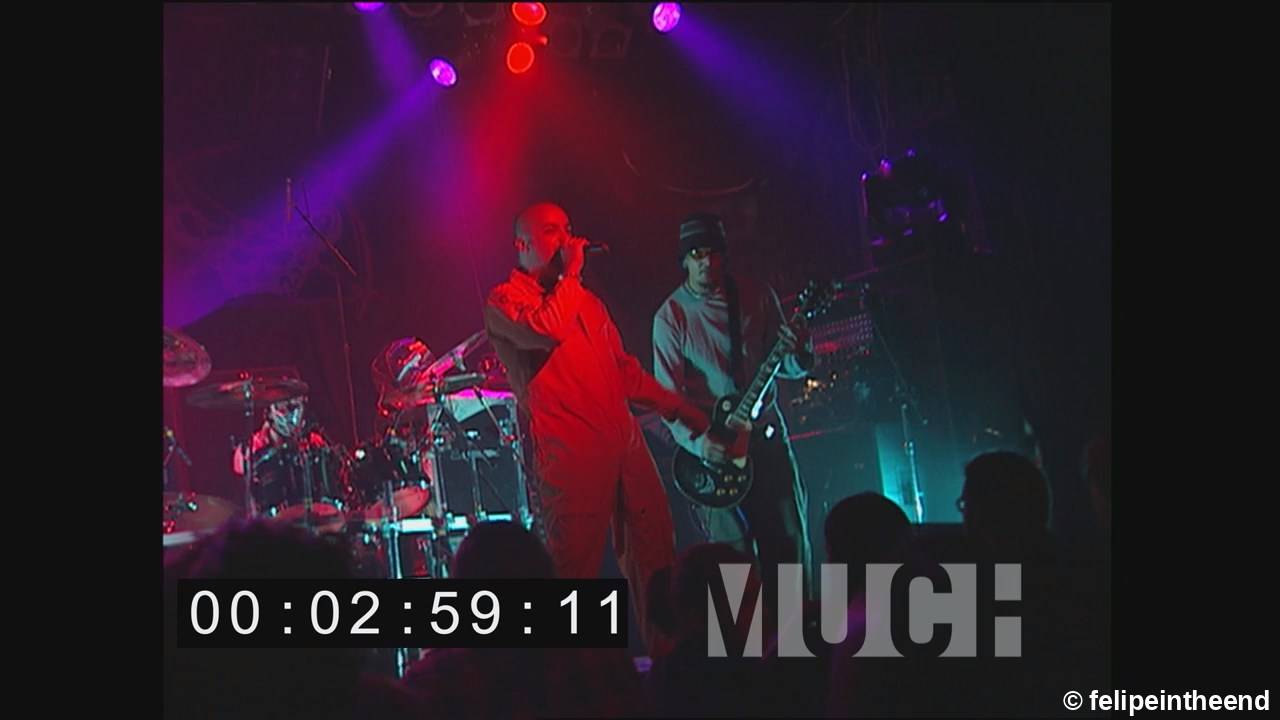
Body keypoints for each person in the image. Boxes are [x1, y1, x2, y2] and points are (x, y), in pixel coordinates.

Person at [482, 201, 710, 653]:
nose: (567, 239)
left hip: (625, 443)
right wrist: (571, 275)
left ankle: (668, 664)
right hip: (569, 451)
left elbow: (623, 371)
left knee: (655, 556)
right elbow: (547, 330)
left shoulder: (585, 301)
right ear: (522, 245)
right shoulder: (504, 301)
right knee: (575, 572)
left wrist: (676, 407)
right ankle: (574, 679)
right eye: (552, 231)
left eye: (568, 228)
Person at [652, 211, 815, 603]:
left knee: (789, 541)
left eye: (713, 253)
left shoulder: (756, 295)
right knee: (730, 558)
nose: (706, 262)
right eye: (697, 254)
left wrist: (799, 352)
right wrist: (699, 443)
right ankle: (741, 638)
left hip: (765, 439)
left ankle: (798, 631)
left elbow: (786, 366)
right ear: (684, 260)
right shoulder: (671, 317)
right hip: (714, 451)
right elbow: (667, 399)